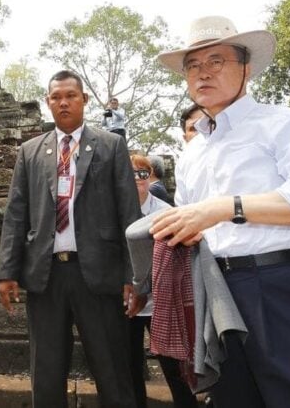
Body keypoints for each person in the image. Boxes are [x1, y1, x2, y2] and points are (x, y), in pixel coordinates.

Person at [149, 15, 290, 407]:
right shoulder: (193, 152)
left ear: (245, 67)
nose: (202, 73)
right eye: (193, 66)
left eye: (215, 61)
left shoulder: (283, 124)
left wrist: (226, 208)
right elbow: (194, 219)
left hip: (288, 285)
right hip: (220, 294)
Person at [0, 69, 140, 408]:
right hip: (46, 276)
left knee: (112, 370)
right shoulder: (30, 152)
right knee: (46, 372)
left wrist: (133, 276)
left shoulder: (110, 145)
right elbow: (16, 213)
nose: (63, 103)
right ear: (48, 103)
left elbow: (129, 212)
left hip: (98, 274)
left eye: (70, 96)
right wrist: (7, 271)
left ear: (84, 100)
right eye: (55, 97)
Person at [127, 154, 199, 408]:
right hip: (125, 301)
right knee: (129, 366)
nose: (137, 179)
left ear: (151, 177)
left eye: (143, 174)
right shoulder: (109, 210)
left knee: (174, 365)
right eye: (131, 173)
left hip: (162, 301)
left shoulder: (165, 212)